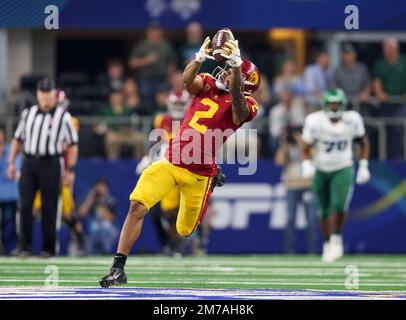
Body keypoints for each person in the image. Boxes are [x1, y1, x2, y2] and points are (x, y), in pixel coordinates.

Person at [100, 35, 260, 287]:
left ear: (244, 82)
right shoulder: (207, 82)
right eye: (228, 70)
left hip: (199, 174)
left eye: (232, 72)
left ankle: (213, 178)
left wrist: (238, 66)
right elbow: (187, 81)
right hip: (172, 161)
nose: (226, 73)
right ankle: (118, 266)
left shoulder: (247, 104)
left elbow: (238, 110)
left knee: (184, 229)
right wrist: (198, 58)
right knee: (137, 206)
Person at [7, 77, 79, 257]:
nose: (46, 97)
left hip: (51, 163)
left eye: (49, 93)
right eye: (43, 93)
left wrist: (70, 169)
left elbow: (73, 144)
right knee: (24, 205)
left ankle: (48, 248)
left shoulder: (63, 116)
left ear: (54, 95)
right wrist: (11, 162)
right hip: (29, 162)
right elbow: (17, 139)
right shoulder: (28, 114)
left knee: (50, 207)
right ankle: (24, 247)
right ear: (38, 94)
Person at [301, 88, 370, 263]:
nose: (333, 107)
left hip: (343, 166)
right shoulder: (315, 120)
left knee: (339, 205)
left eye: (336, 104)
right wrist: (306, 163)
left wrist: (363, 165)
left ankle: (337, 236)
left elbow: (363, 142)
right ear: (325, 105)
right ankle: (327, 242)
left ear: (342, 104)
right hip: (321, 168)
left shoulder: (352, 119)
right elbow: (305, 147)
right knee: (323, 210)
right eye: (331, 103)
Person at [275, 126, 316, 254]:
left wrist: (302, 144)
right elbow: (279, 161)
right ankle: (289, 250)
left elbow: (317, 158)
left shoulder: (311, 147)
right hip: (292, 186)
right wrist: (283, 145)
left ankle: (312, 250)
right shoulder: (288, 147)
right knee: (290, 219)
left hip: (307, 186)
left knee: (311, 220)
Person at [129, 23, 177, 115]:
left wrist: (170, 76)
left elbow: (172, 63)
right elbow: (132, 63)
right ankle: (147, 119)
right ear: (148, 32)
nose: (155, 33)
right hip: (145, 79)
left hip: (162, 79)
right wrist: (146, 60)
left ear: (161, 32)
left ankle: (162, 119)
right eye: (153, 31)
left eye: (157, 31)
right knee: (145, 99)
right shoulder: (142, 45)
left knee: (165, 100)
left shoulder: (165, 45)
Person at [373, 37, 406, 159]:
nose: (389, 50)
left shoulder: (404, 61)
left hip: (401, 103)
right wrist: (380, 93)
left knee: (399, 130)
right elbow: (377, 82)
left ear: (397, 48)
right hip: (386, 104)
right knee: (384, 130)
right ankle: (384, 158)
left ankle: (398, 158)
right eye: (387, 48)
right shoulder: (380, 64)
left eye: (392, 48)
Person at [97, 89, 145, 160]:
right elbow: (97, 125)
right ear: (111, 98)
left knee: (141, 138)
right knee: (111, 139)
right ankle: (113, 164)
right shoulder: (105, 110)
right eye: (114, 96)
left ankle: (138, 162)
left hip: (127, 134)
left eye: (118, 96)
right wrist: (106, 130)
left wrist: (129, 129)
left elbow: (134, 123)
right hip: (113, 134)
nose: (116, 98)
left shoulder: (128, 109)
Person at [78, 179, 118, 255]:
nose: (100, 190)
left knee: (105, 226)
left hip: (110, 230)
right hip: (93, 229)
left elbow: (110, 219)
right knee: (94, 227)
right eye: (98, 187)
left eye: (103, 187)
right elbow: (81, 213)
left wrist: (101, 202)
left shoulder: (111, 201)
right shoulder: (90, 200)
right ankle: (90, 254)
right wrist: (90, 198)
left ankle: (105, 252)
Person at [0, 128, 21, 255]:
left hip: (9, 194)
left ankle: (10, 248)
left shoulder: (10, 151)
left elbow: (13, 172)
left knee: (9, 223)